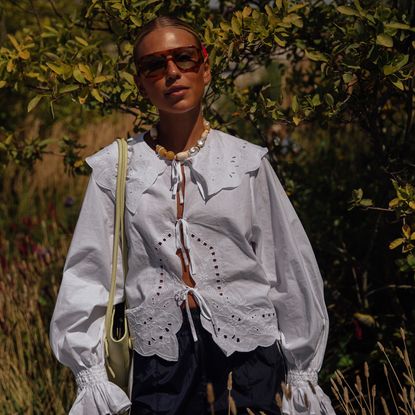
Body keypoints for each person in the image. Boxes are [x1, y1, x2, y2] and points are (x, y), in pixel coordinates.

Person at [49, 15, 336, 415]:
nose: (171, 72)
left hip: (250, 355)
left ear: (205, 68)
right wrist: (91, 372)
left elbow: (286, 264)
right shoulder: (117, 168)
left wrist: (302, 371)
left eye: (183, 58)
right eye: (154, 64)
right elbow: (90, 273)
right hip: (159, 361)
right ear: (140, 81)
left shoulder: (245, 162)